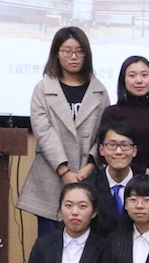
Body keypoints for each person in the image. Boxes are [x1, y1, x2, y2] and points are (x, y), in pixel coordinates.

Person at [17, 27, 108, 237]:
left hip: (87, 177)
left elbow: (104, 134)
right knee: (50, 243)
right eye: (67, 51)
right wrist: (65, 171)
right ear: (56, 53)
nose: (73, 57)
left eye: (79, 51)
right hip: (51, 178)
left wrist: (90, 166)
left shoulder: (99, 91)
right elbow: (43, 132)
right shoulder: (43, 89)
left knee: (87, 245)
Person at [99, 56, 149, 177]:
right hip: (122, 178)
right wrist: (141, 171)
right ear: (123, 80)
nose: (139, 80)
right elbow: (104, 153)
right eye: (132, 75)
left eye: (144, 75)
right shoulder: (112, 112)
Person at [89, 122, 138, 232]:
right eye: (112, 145)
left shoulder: (148, 187)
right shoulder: (88, 187)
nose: (118, 151)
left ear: (134, 151)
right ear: (101, 149)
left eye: (125, 145)